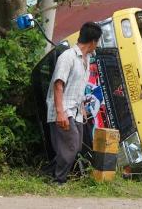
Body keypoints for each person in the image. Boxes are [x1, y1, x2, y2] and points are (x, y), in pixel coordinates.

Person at [45, 22, 102, 184]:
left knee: (76, 147)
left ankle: (49, 172)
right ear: (92, 41)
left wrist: (82, 107)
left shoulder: (86, 59)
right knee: (70, 146)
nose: (96, 45)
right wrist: (60, 112)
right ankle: (58, 180)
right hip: (63, 109)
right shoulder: (68, 57)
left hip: (76, 110)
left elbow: (78, 87)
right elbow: (58, 84)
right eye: (97, 42)